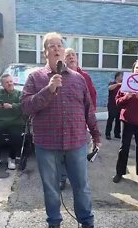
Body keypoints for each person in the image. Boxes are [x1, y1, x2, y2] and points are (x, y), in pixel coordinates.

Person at [21, 32, 101, 228]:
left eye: (60, 45)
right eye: (51, 46)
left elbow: (88, 110)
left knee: (81, 185)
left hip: (76, 142)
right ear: (45, 52)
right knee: (50, 186)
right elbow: (26, 106)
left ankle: (87, 221)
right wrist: (49, 89)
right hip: (47, 143)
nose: (56, 49)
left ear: (64, 51)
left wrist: (96, 134)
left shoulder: (78, 79)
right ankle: (54, 222)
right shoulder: (35, 77)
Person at [58, 47, 99, 190]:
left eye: (73, 55)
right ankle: (62, 177)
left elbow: (92, 96)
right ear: (63, 59)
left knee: (78, 151)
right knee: (63, 150)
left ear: (77, 58)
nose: (71, 57)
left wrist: (91, 115)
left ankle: (77, 178)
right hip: (63, 120)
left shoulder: (85, 76)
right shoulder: (59, 75)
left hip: (80, 120)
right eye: (67, 55)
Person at [105, 72, 123, 140]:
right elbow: (109, 88)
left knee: (118, 120)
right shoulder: (112, 83)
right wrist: (118, 84)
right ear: (117, 77)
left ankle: (117, 134)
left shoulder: (123, 85)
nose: (122, 77)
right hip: (112, 105)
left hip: (120, 105)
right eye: (121, 76)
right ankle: (108, 134)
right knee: (111, 119)